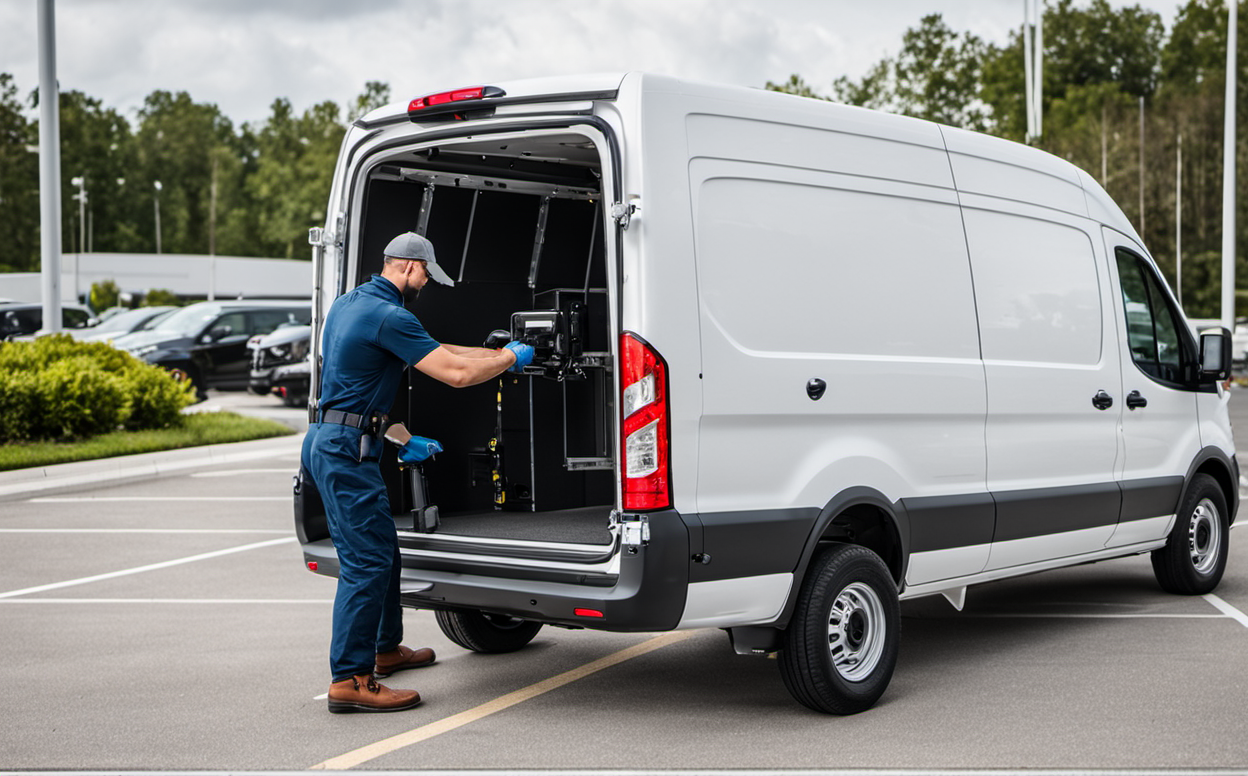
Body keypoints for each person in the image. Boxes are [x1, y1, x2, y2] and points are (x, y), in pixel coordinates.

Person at [302, 231, 534, 714]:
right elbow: (454, 374)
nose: (426, 283)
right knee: (366, 563)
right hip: (346, 454)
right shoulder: (390, 314)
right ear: (408, 267)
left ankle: (385, 651)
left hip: (336, 441)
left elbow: (426, 355)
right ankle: (350, 679)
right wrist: (513, 359)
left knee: (382, 551)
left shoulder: (350, 306)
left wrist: (404, 438)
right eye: (427, 274)